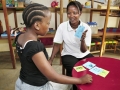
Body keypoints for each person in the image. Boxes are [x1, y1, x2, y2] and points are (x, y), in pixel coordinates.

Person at [15, 3, 92, 90]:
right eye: (47, 23)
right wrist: (80, 80)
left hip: (21, 82)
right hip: (37, 87)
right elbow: (53, 77)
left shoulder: (19, 37)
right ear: (37, 25)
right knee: (70, 85)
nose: (48, 27)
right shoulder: (35, 47)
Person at [49, 1, 94, 90]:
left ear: (80, 13)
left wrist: (82, 40)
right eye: (69, 13)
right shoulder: (62, 26)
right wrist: (51, 59)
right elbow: (57, 43)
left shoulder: (85, 28)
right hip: (68, 54)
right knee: (76, 70)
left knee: (94, 68)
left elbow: (84, 50)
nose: (71, 16)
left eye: (75, 13)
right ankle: (74, 87)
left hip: (83, 54)